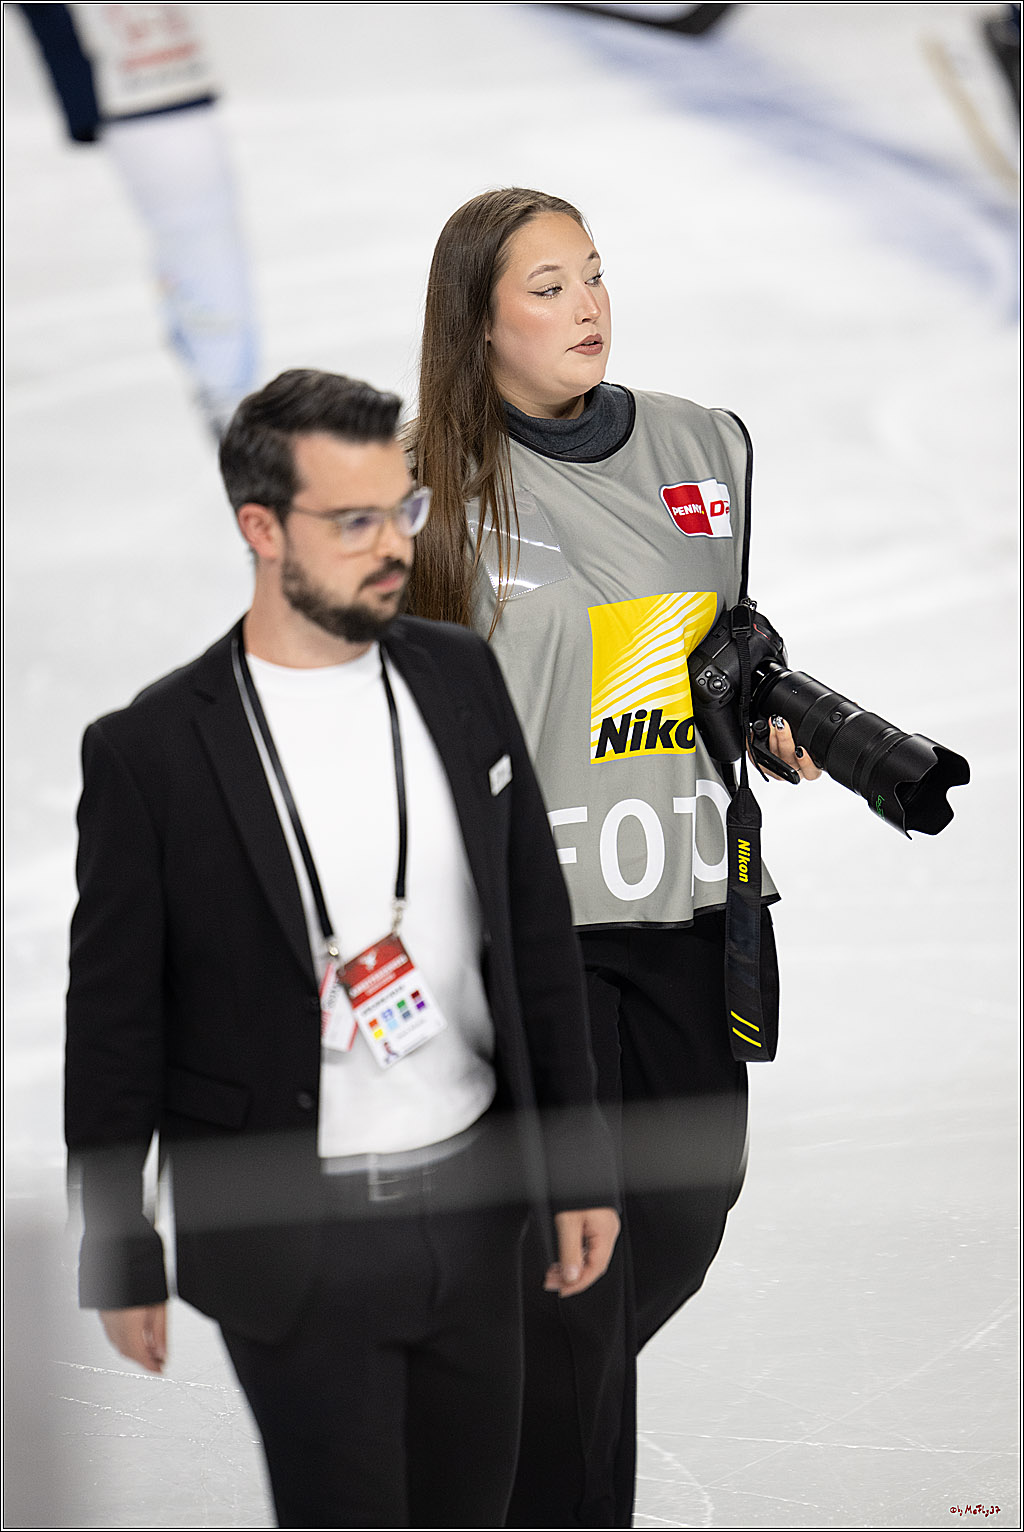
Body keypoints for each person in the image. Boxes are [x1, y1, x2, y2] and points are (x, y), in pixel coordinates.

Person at [64, 367, 620, 1529]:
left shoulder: (458, 675)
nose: (394, 545)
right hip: (294, 1245)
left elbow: (533, 932)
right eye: (354, 520)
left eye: (401, 509)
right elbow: (115, 1022)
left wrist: (575, 1163)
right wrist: (118, 1240)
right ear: (261, 529)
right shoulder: (150, 753)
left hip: (478, 1214)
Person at [408, 187, 820, 1528]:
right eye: (546, 287)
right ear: (476, 324)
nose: (587, 304)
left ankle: (485, 1408)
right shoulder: (418, 491)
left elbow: (666, 655)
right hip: (527, 936)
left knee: (684, 1218)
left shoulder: (700, 444)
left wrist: (759, 710)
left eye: (592, 273)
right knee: (574, 1274)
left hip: (686, 903)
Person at [18, 3, 258, 437]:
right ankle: (227, 396)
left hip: (155, 72)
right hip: (135, 78)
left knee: (198, 238)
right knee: (200, 240)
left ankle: (225, 390)